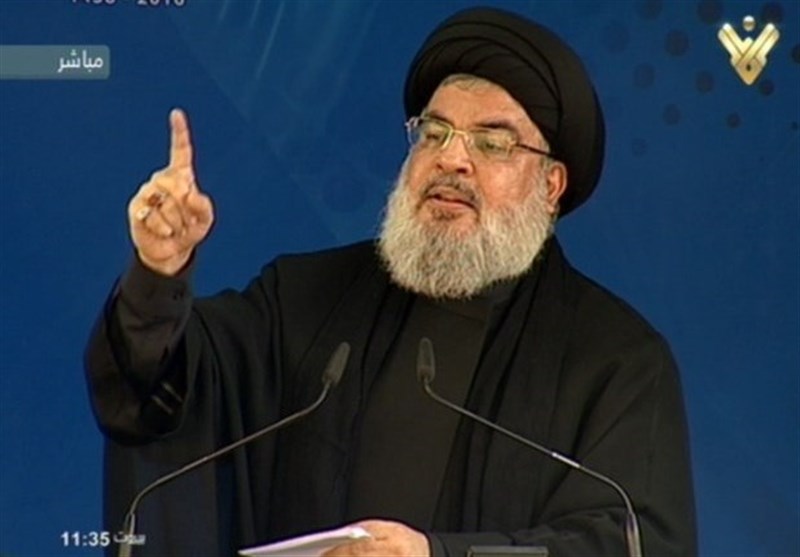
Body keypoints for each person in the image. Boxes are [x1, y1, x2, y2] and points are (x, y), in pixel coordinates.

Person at [85, 7, 697, 557]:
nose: (451, 159)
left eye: (492, 142)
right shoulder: (304, 298)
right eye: (434, 133)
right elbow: (156, 392)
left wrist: (434, 556)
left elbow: (629, 545)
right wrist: (159, 271)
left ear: (551, 185)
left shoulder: (617, 361)